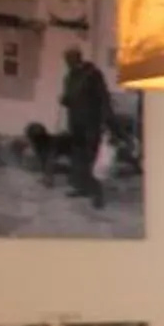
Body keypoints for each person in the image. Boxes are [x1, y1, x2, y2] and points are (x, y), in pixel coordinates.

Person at [58, 46, 110, 209]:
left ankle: (97, 194)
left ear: (77, 58)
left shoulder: (92, 74)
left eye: (69, 60)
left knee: (93, 157)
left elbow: (103, 97)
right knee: (78, 157)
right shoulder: (69, 77)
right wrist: (64, 99)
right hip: (75, 122)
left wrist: (104, 120)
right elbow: (69, 98)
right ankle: (81, 187)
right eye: (66, 61)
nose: (67, 64)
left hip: (91, 123)